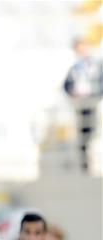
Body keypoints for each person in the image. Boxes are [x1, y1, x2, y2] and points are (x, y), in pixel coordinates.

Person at [63, 40, 102, 173]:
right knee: (82, 135)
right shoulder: (74, 68)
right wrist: (73, 94)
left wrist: (96, 95)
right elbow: (66, 85)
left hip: (93, 103)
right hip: (80, 105)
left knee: (94, 132)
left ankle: (94, 161)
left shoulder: (95, 65)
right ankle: (84, 164)